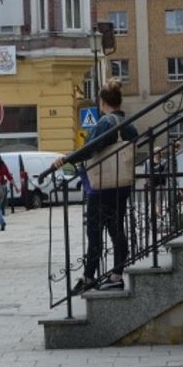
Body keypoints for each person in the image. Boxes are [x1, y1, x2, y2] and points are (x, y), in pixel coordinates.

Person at [52, 77, 138, 293]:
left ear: (102, 101)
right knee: (116, 228)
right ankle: (116, 274)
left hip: (103, 186)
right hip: (122, 182)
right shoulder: (128, 125)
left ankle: (90, 276)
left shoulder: (106, 122)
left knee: (94, 229)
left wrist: (66, 158)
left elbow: (90, 149)